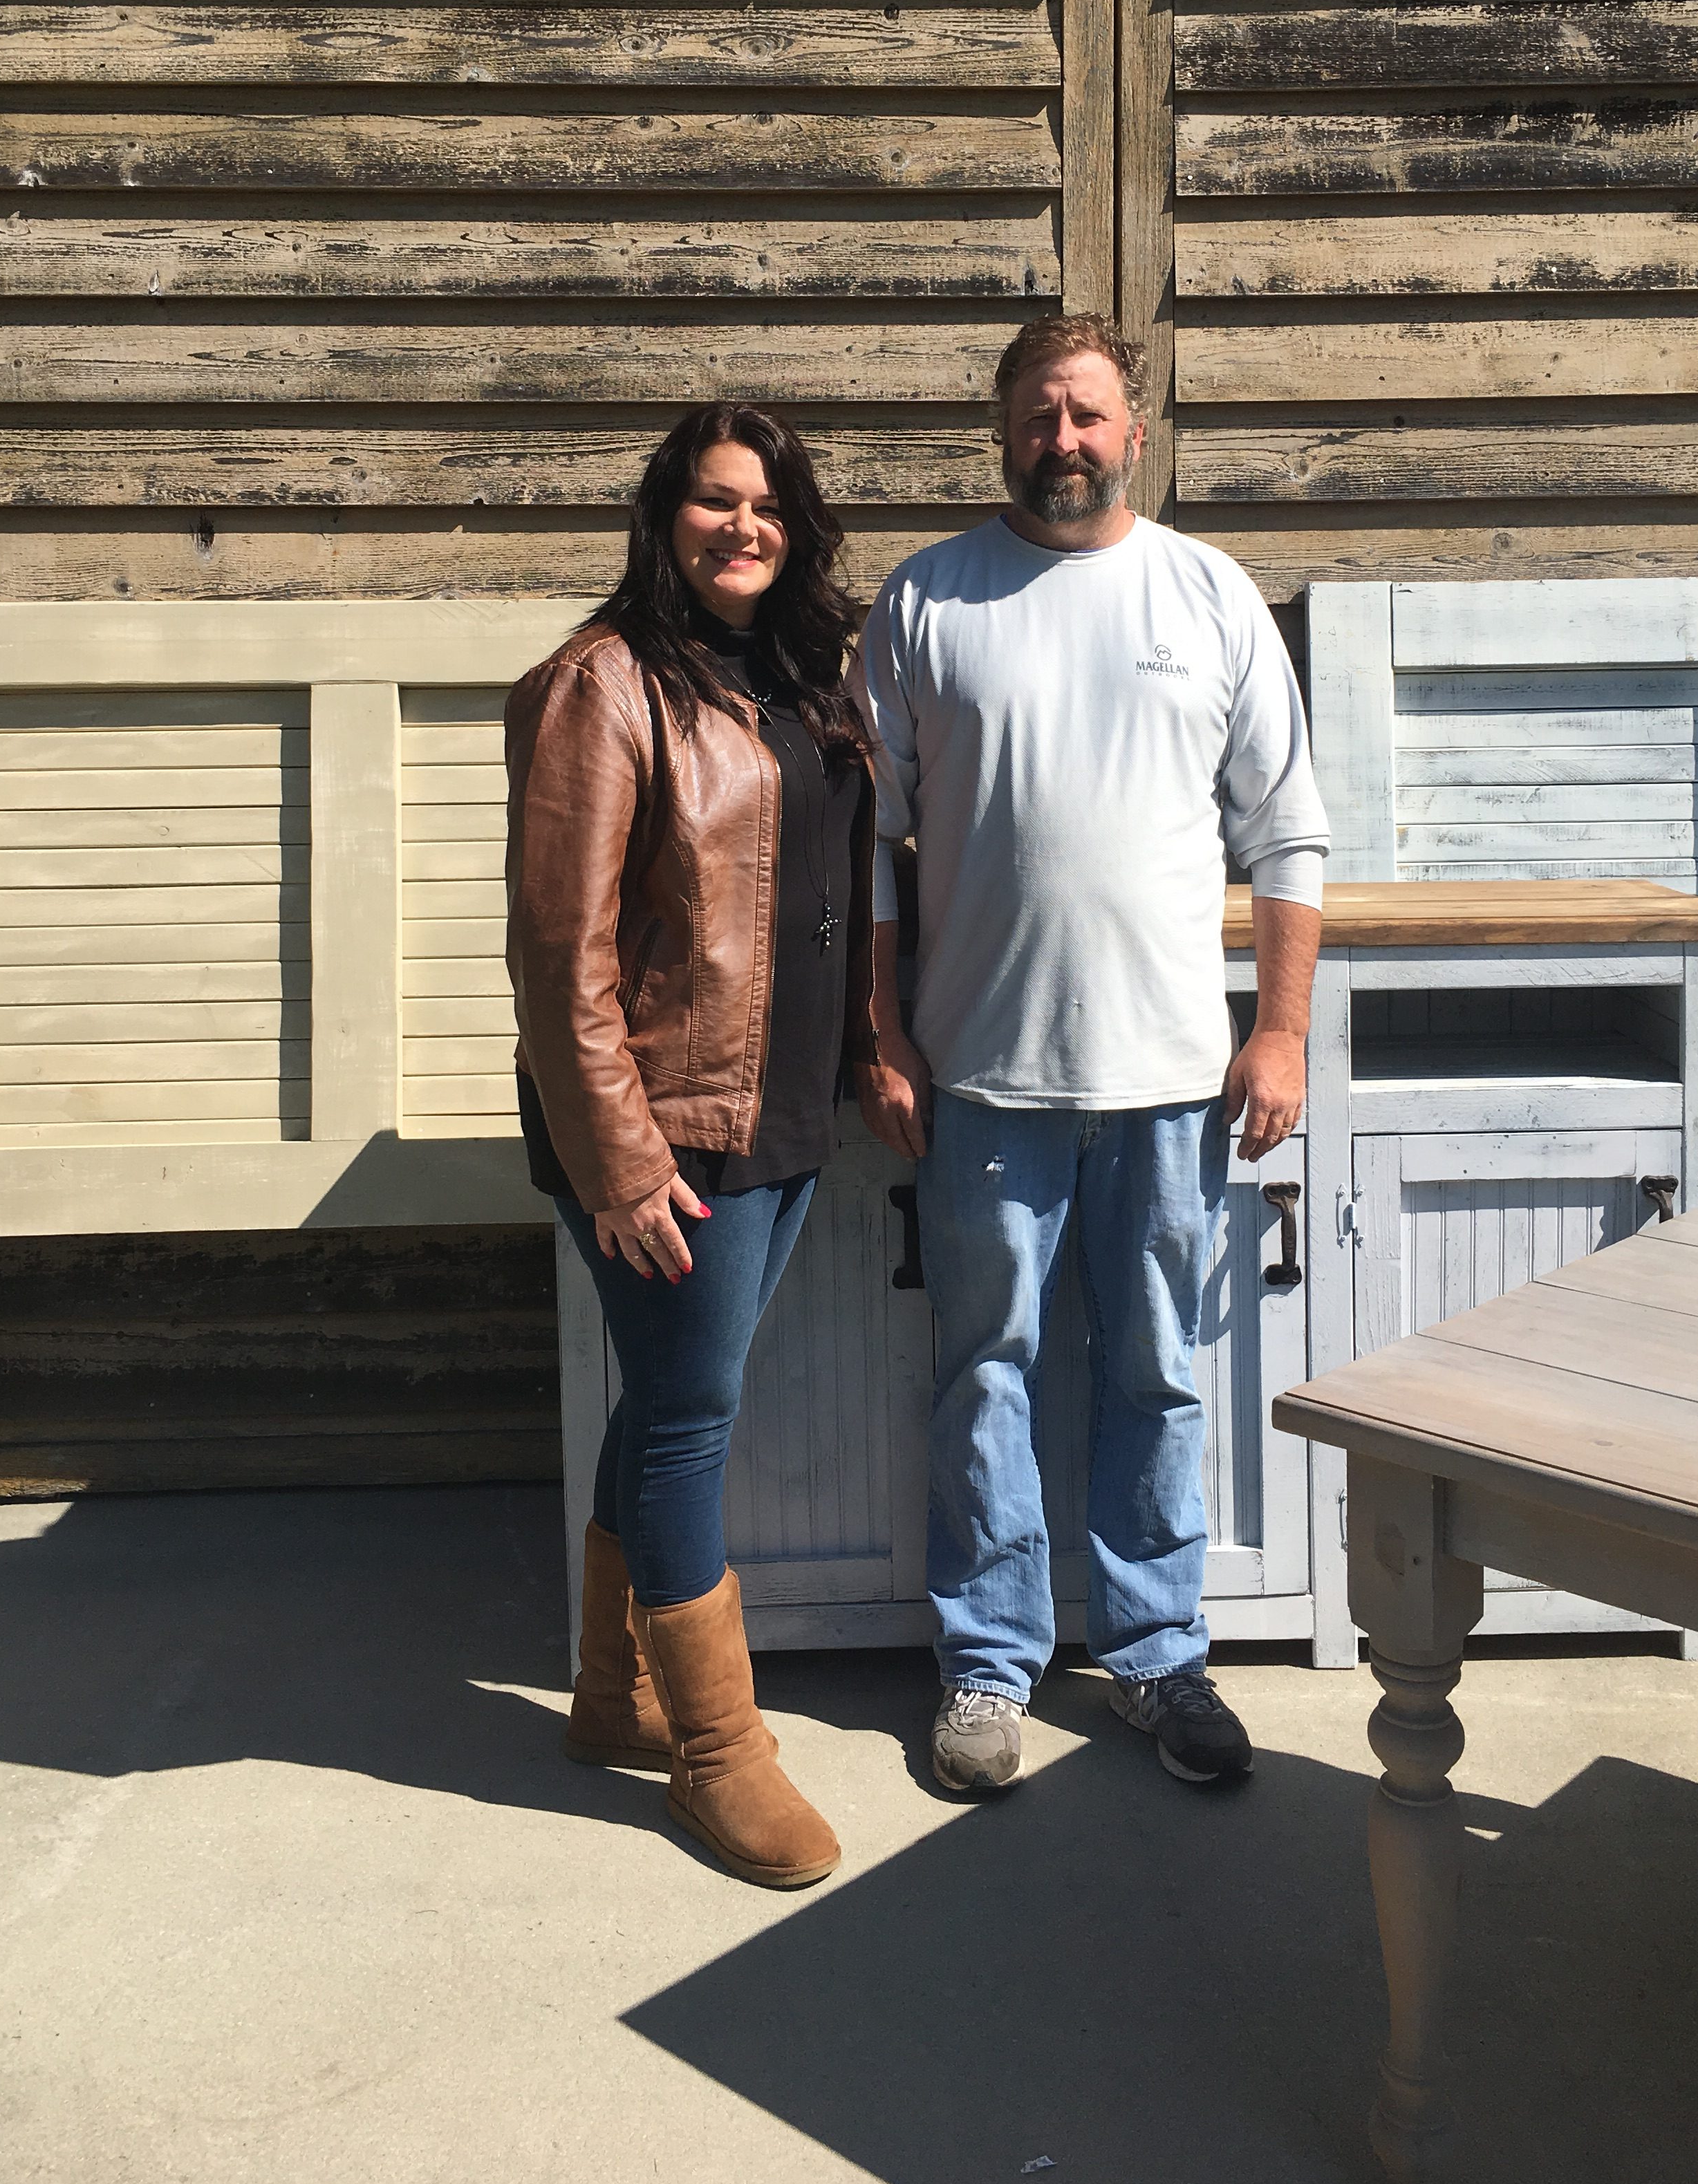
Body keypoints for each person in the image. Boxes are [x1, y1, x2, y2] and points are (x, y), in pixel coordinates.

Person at [851, 315, 1330, 1796]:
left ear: (1138, 428)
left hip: (1174, 1080)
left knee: (1154, 1373)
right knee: (983, 1369)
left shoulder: (1208, 593)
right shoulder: (929, 600)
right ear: (1002, 431)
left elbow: (1288, 834)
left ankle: (1155, 1651)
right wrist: (880, 1031)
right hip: (983, 1074)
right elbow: (870, 851)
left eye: (1088, 414)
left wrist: (1285, 1031)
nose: (1064, 440)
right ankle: (988, 1668)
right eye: (1038, 416)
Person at [505, 402, 876, 1887]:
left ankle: (611, 1696)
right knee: (687, 1423)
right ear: (667, 518)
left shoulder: (788, 675)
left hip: (775, 1107)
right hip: (668, 1128)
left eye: (769, 504)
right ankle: (715, 1750)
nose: (745, 527)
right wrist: (621, 1157)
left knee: (666, 1395)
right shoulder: (605, 685)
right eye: (716, 502)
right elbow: (557, 950)